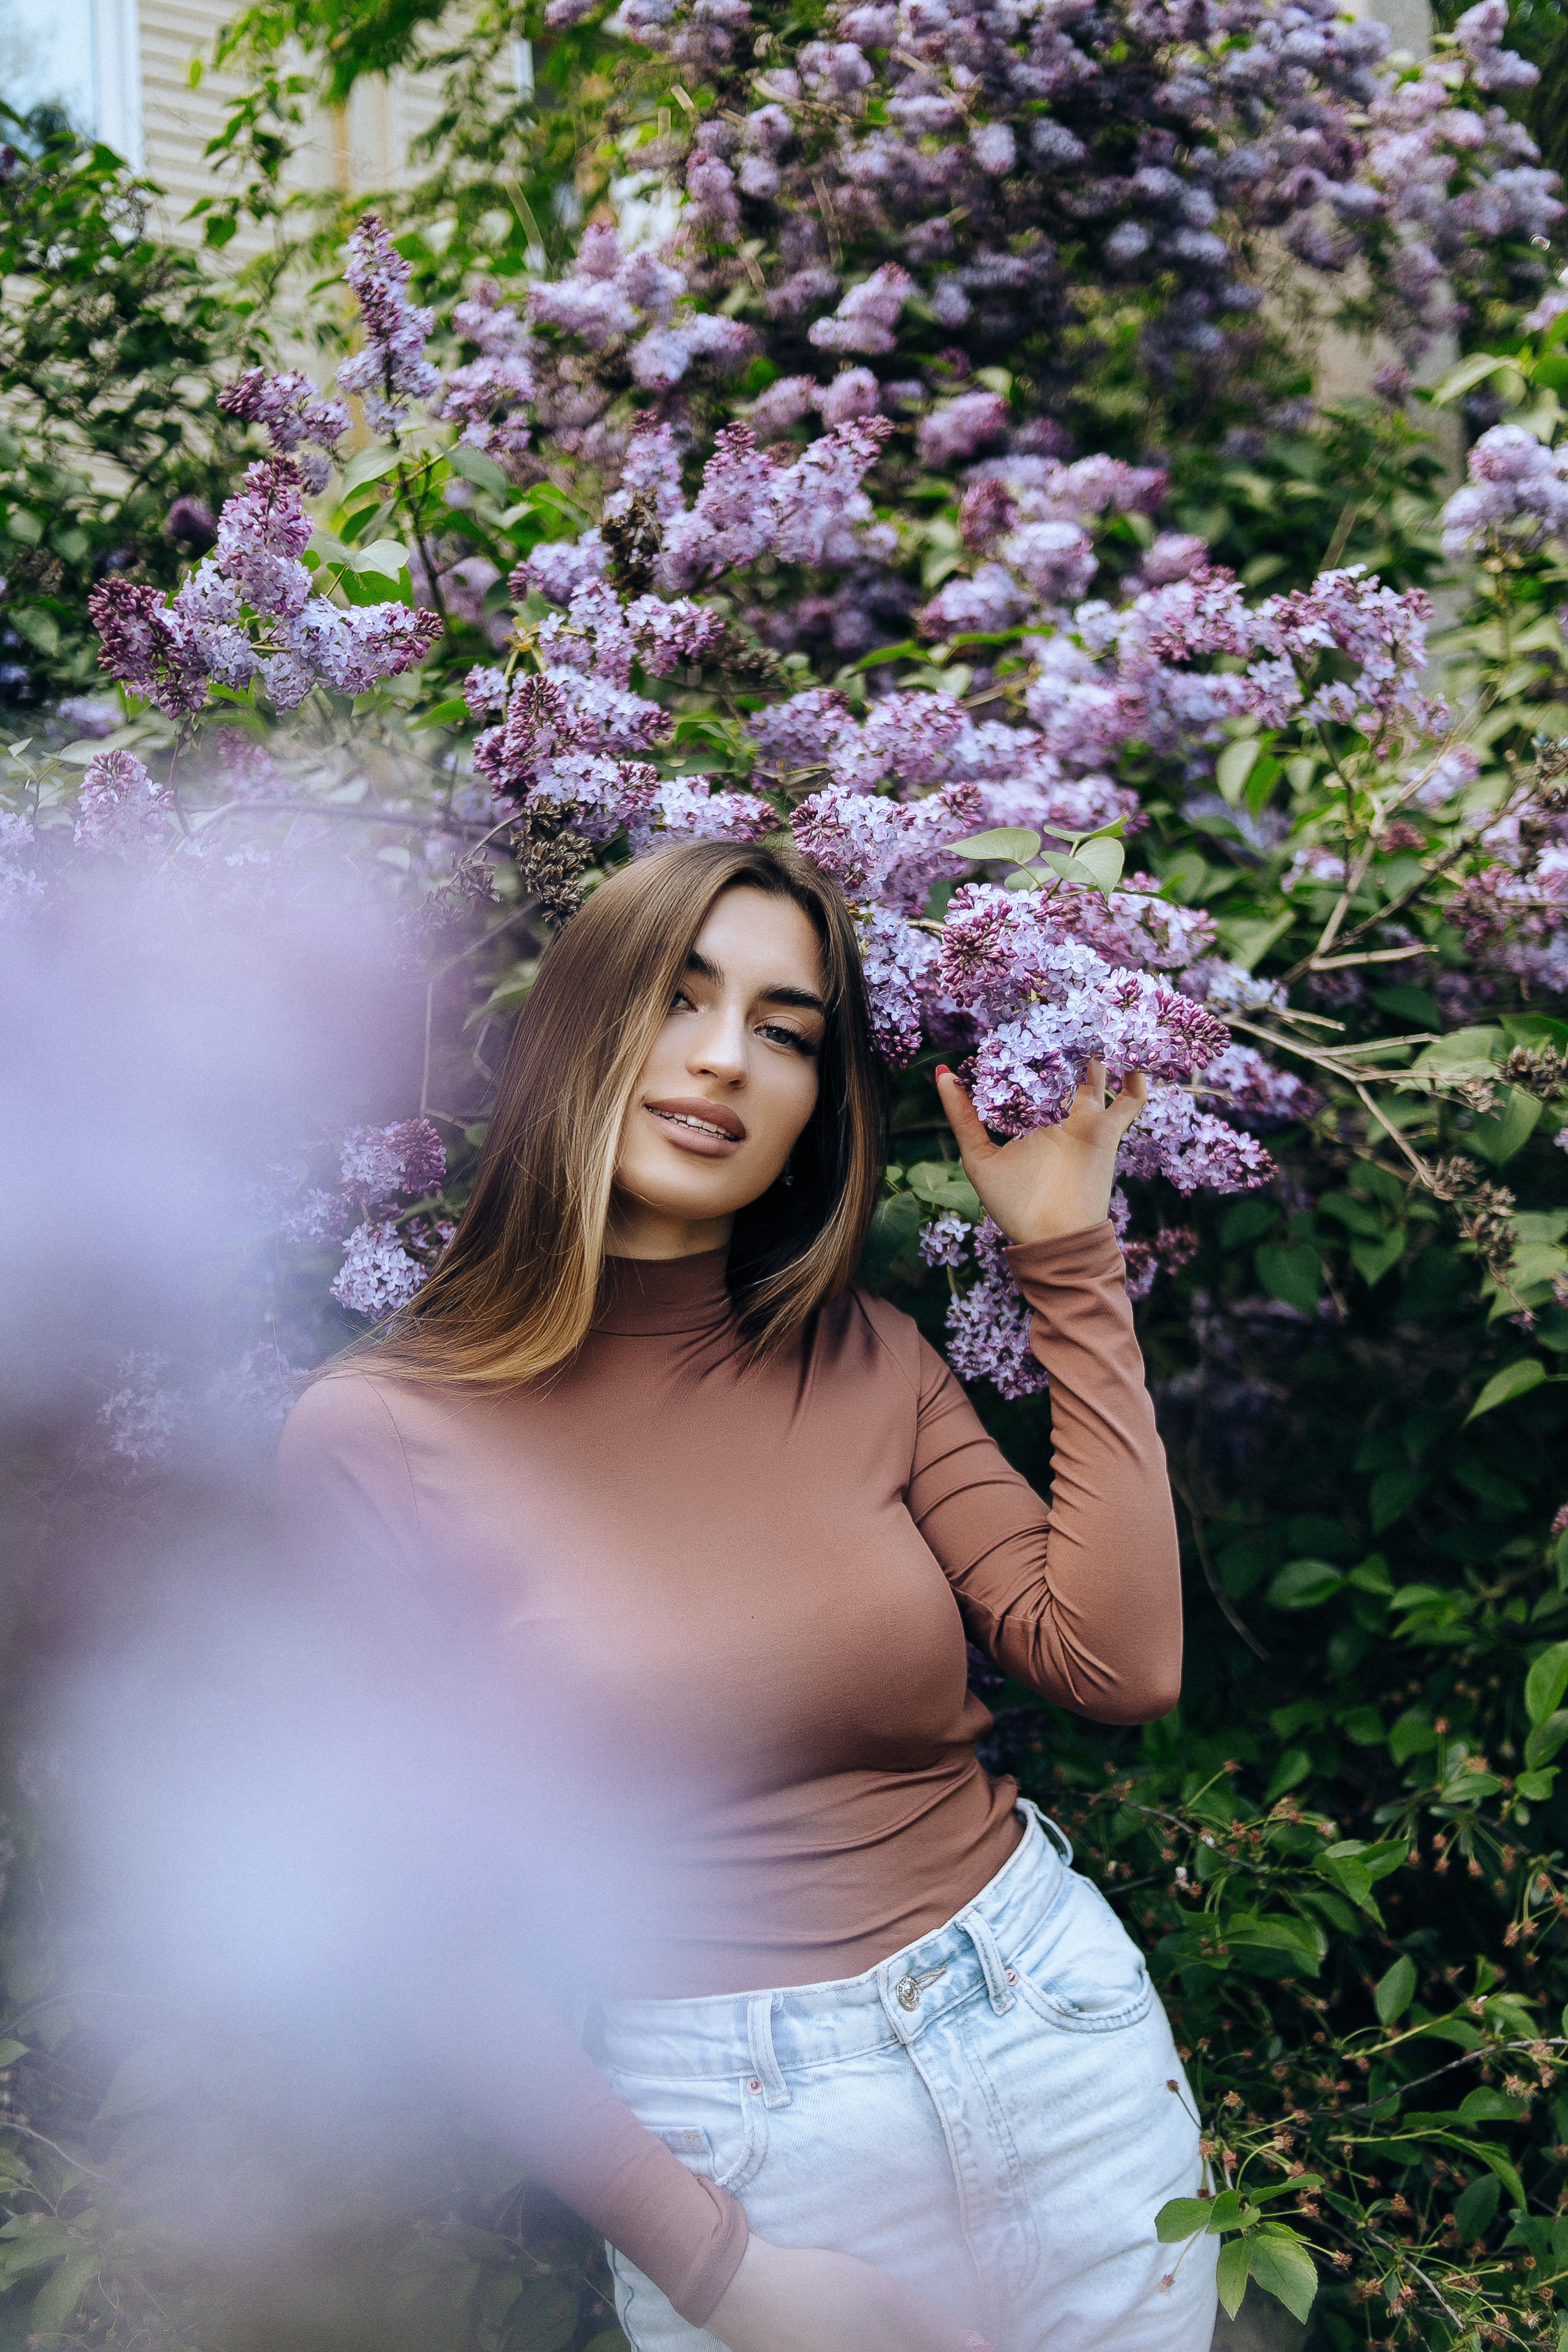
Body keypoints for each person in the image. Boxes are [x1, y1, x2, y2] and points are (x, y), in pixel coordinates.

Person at [277, 838, 1219, 2352]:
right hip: (745, 2145)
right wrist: (715, 2266)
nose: (726, 1061)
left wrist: (1066, 1256)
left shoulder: (871, 1358)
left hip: (1060, 2034)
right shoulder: (382, 1435)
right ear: (580, 1026)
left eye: (786, 1031)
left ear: (818, 1106)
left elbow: (1117, 1664)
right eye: (678, 997)